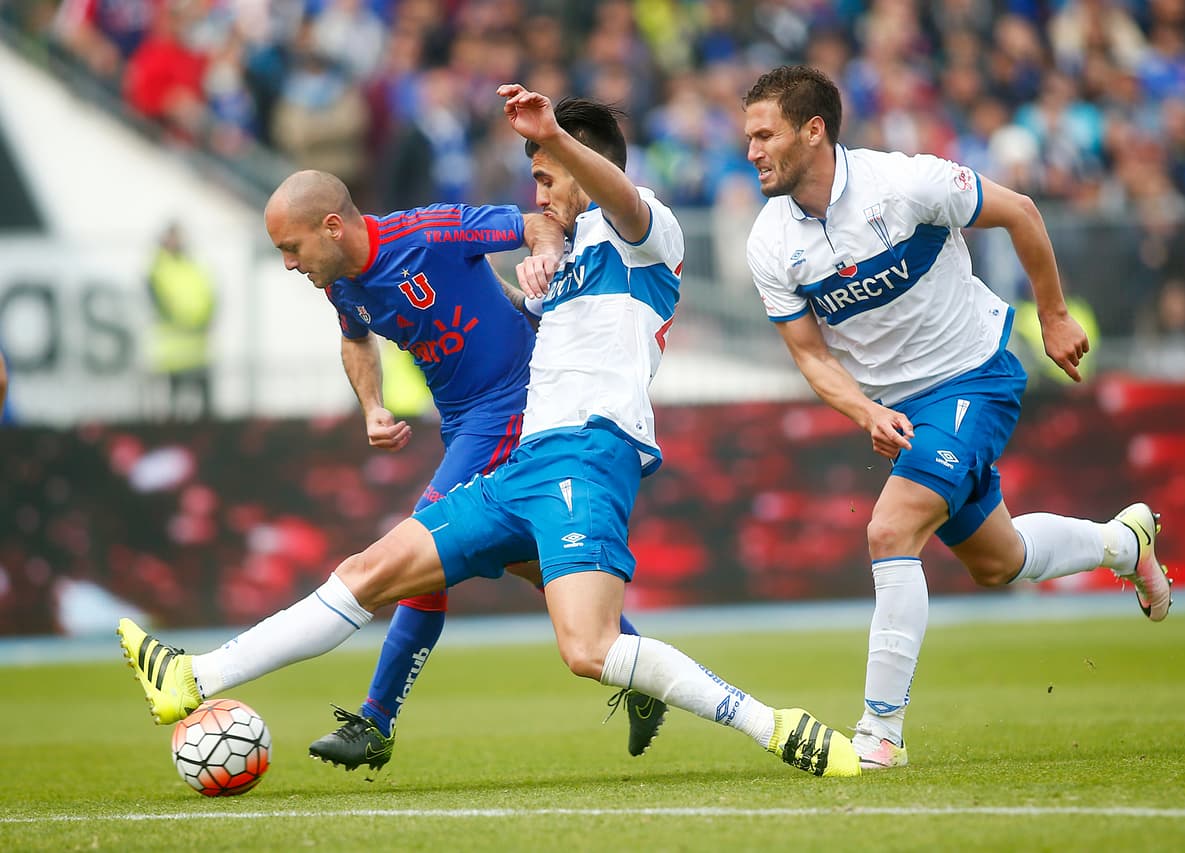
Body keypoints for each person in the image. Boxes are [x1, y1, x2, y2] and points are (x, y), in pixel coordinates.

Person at [118, 88, 861, 779]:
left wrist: (554, 141)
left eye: (547, 177)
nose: (538, 196)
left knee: (588, 649)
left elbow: (614, 198)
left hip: (585, 452)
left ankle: (776, 725)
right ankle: (192, 676)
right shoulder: (564, 264)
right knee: (367, 572)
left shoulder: (645, 230)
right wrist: (521, 283)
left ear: (581, 164)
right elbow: (511, 315)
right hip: (521, 465)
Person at [741, 65, 1172, 770]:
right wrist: (866, 411)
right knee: (1000, 561)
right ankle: (1126, 544)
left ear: (813, 131)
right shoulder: (768, 243)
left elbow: (1021, 211)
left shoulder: (903, 183)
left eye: (765, 135)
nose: (751, 150)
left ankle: (880, 732)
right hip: (904, 411)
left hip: (973, 376)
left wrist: (1053, 315)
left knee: (890, 529)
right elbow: (811, 356)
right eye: (748, 137)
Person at [241, 168, 664, 772]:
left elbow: (536, 225)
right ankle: (639, 667)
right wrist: (372, 406)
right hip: (464, 422)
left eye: (292, 247)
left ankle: (377, 721)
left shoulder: (429, 233)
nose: (289, 263)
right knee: (528, 559)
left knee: (425, 542)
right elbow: (356, 338)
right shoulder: (342, 285)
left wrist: (544, 259)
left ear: (332, 227)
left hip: (516, 404)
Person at [146, 221, 217, 420]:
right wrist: (187, 320)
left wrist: (202, 320)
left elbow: (209, 298)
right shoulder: (156, 268)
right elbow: (159, 303)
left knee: (204, 415)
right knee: (170, 414)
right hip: (170, 355)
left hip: (198, 351)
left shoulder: (194, 266)